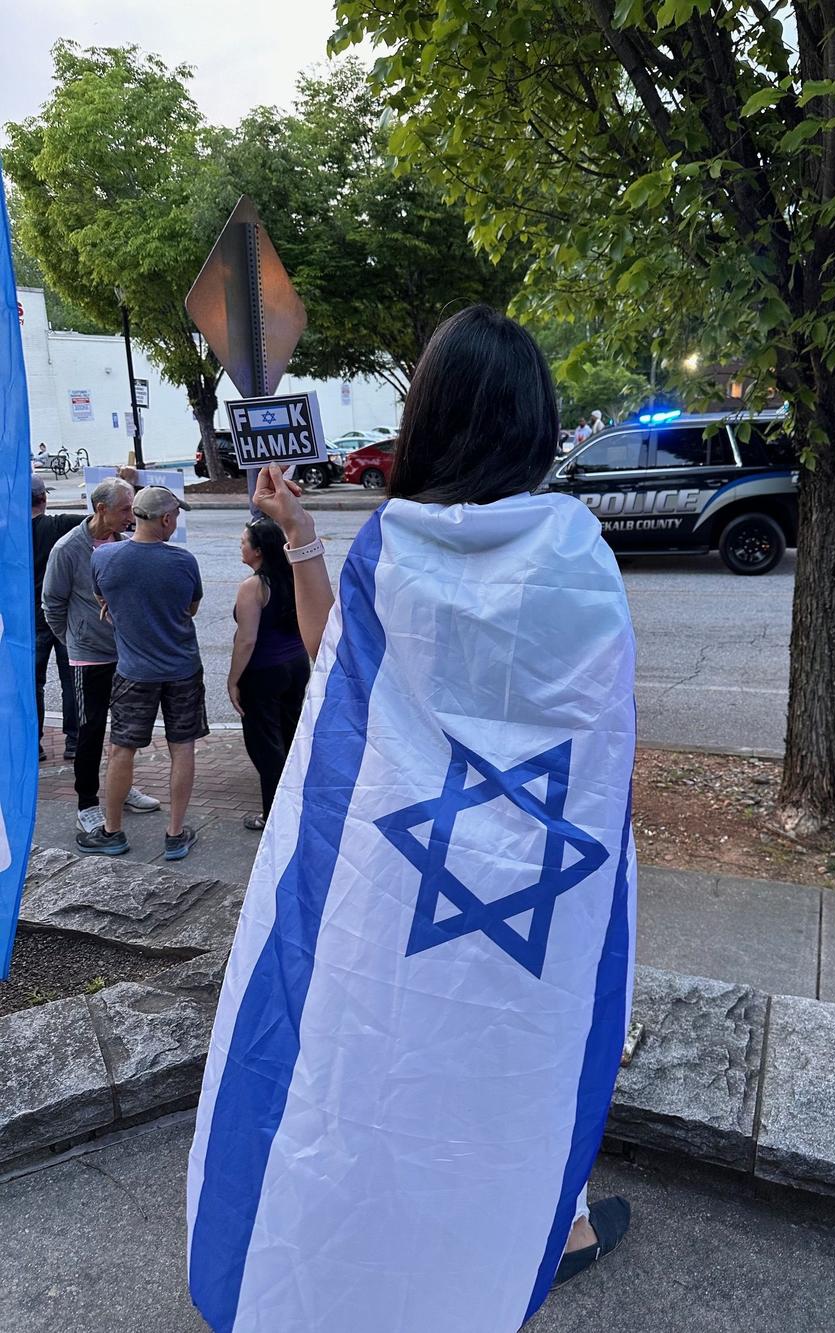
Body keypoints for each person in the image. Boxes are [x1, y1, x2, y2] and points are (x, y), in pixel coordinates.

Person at [188, 306, 636, 1333]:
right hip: (542, 880)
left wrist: (305, 540)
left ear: (427, 417)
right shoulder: (582, 565)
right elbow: (598, 745)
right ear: (535, 425)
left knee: (387, 1059)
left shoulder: (393, 554)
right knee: (512, 1060)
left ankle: (374, 1261)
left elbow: (343, 685)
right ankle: (532, 1233)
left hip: (398, 879)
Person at [89, 485, 207, 860]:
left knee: (121, 749)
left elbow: (102, 598)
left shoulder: (104, 557)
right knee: (182, 747)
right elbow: (191, 608)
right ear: (167, 519)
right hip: (182, 668)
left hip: (133, 670)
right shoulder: (183, 561)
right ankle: (174, 834)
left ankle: (112, 831)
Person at [42, 477, 160, 839]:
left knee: (125, 729)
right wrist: (74, 641)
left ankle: (120, 790)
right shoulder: (67, 549)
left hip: (124, 653)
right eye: (126, 509)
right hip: (88, 657)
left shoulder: (125, 544)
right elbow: (52, 603)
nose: (132, 515)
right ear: (101, 509)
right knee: (90, 730)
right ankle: (87, 804)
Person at [227, 517, 310, 831]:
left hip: (264, 670)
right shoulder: (292, 576)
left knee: (266, 745)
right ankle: (296, 802)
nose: (241, 545)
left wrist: (233, 679)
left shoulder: (254, 586)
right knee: (289, 737)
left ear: (258, 551)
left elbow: (247, 640)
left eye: (244, 541)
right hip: (296, 665)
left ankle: (274, 814)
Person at [31, 474, 79, 761]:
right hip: (62, 617)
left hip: (29, 619)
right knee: (71, 680)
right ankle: (73, 741)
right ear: (44, 499)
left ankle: (33, 742)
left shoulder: (9, 531)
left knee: (32, 682)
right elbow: (99, 521)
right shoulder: (60, 525)